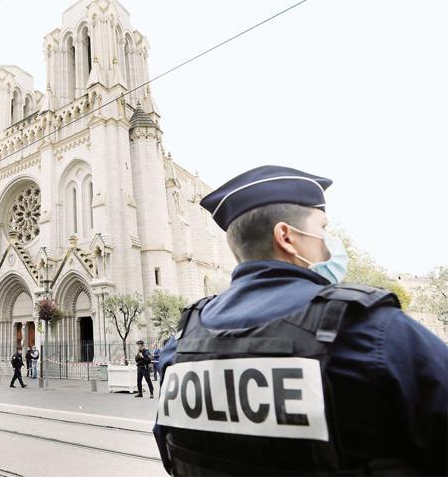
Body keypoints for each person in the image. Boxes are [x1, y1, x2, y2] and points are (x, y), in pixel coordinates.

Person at [153, 165, 448, 476]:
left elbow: (172, 455)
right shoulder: (376, 331)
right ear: (286, 237)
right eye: (322, 228)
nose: (328, 242)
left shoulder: (179, 348)